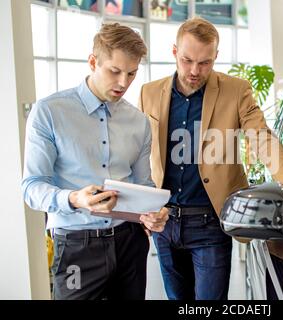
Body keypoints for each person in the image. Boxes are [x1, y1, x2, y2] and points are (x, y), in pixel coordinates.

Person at [138, 17, 283, 300]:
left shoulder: (236, 90)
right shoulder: (149, 92)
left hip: (209, 222)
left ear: (216, 56)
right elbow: (139, 152)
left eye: (205, 62)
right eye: (187, 60)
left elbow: (262, 139)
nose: (195, 70)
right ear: (174, 52)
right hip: (165, 221)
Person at [21, 23, 168, 300]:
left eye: (132, 73)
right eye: (115, 71)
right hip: (77, 245)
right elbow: (31, 188)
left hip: (130, 243)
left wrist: (153, 213)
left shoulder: (138, 121)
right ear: (93, 62)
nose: (124, 82)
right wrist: (75, 198)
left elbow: (144, 184)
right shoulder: (49, 112)